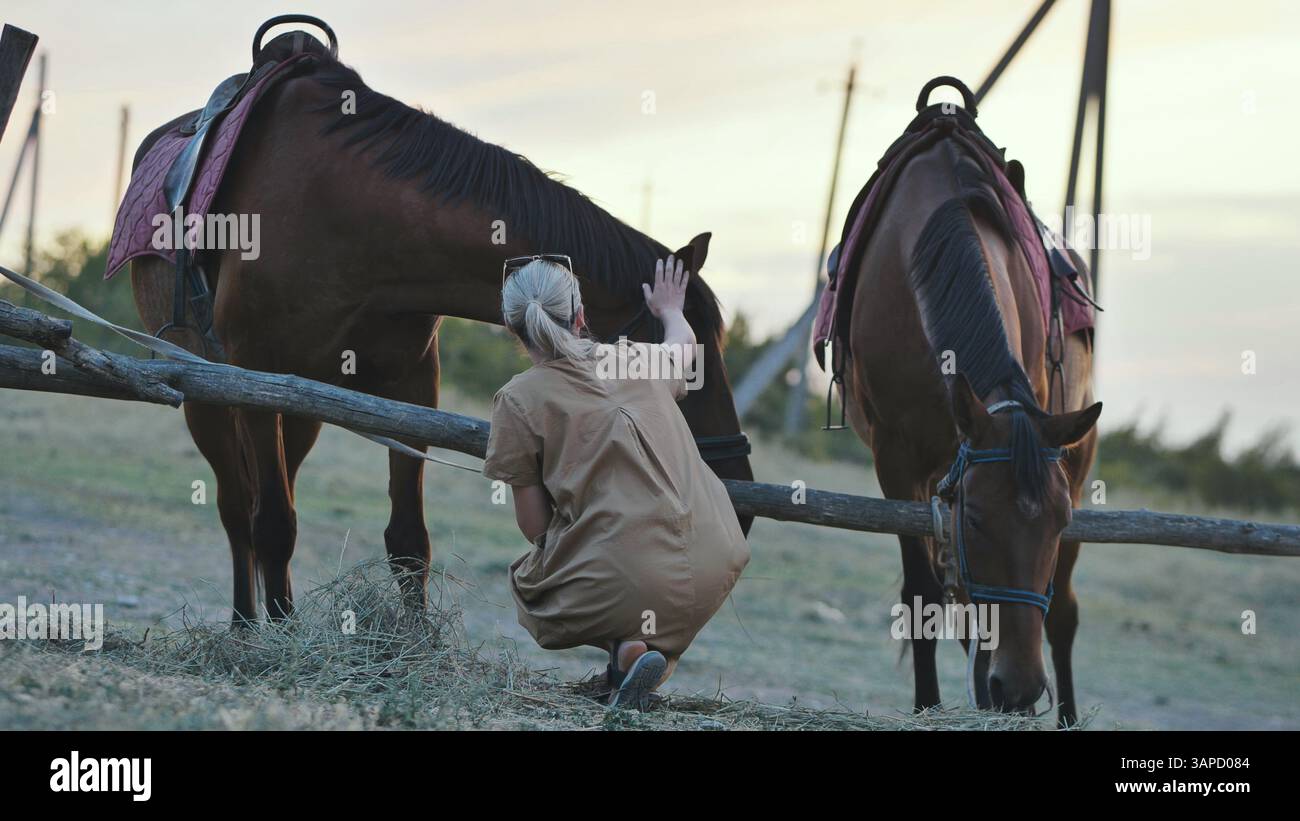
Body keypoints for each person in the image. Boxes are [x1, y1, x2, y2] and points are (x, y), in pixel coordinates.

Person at [482, 253, 750, 711]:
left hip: (624, 578)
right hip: (719, 556)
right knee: (632, 579)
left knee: (534, 580)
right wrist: (669, 310)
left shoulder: (517, 399)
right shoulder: (637, 358)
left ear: (513, 328)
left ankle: (630, 645)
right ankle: (635, 657)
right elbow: (683, 345)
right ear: (581, 316)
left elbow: (534, 526)